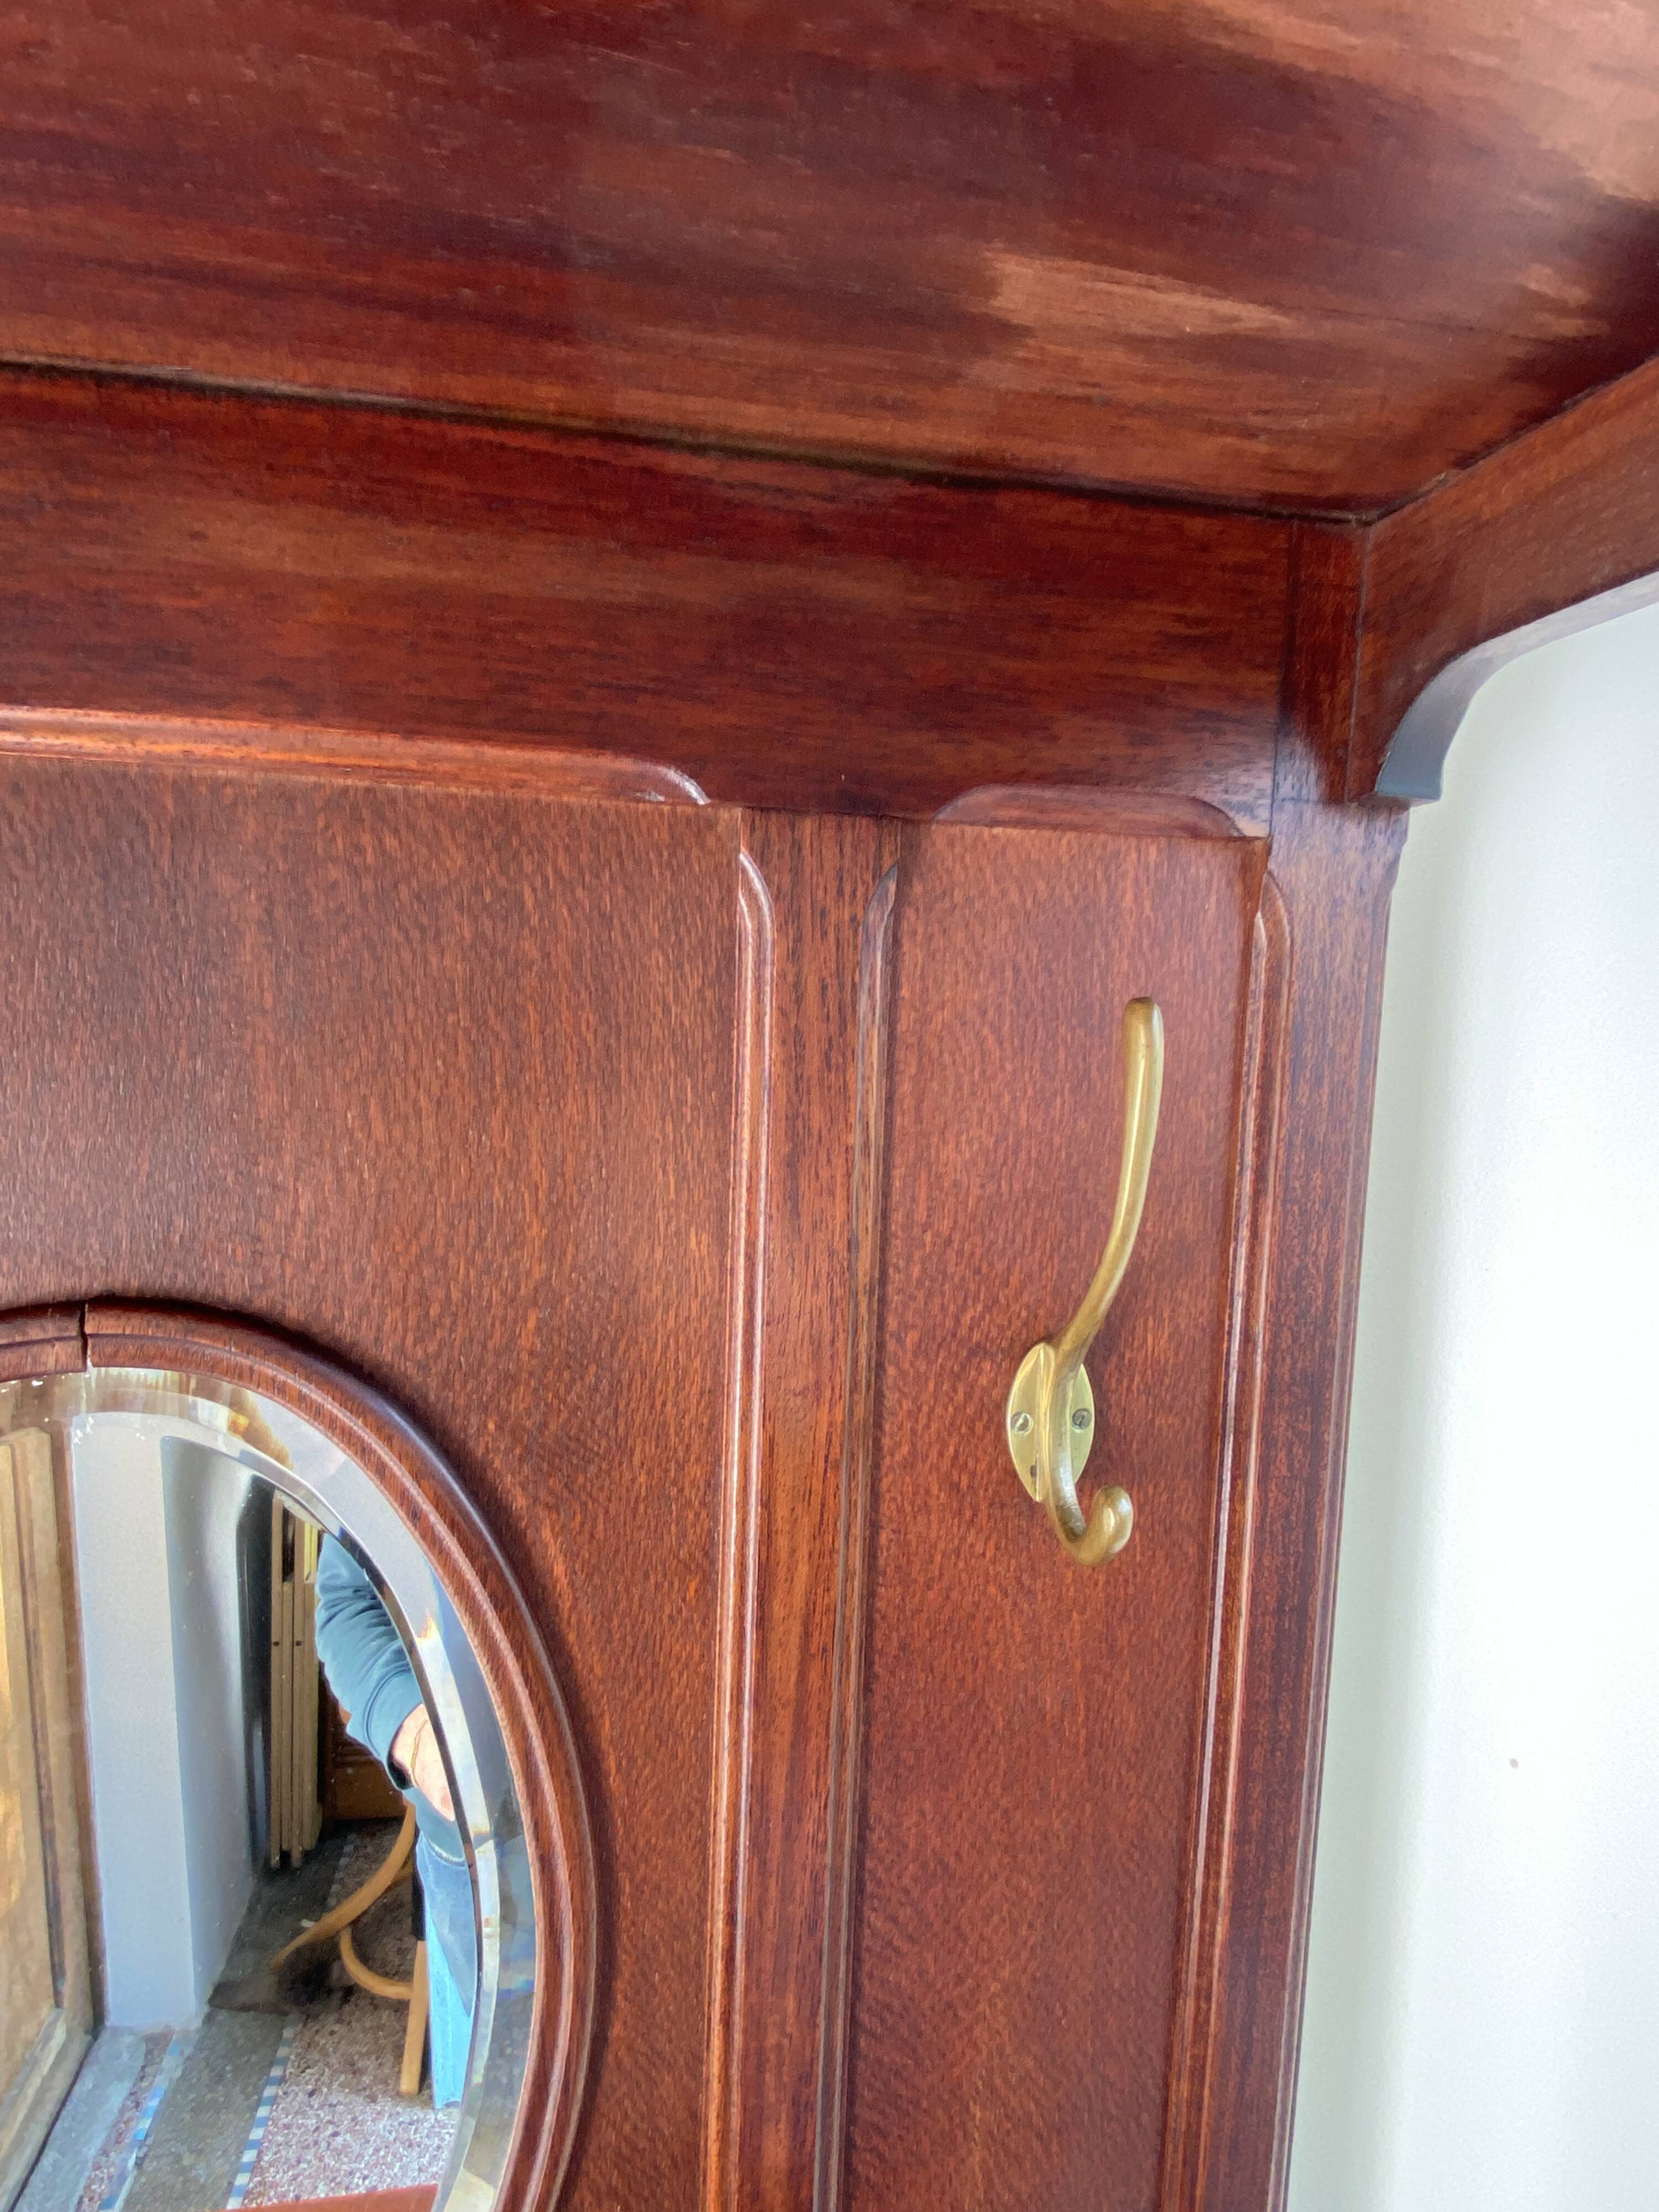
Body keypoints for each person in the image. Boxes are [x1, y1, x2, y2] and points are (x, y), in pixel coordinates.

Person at [313, 1535, 476, 2109]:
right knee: (523, 2088)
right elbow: (348, 1604)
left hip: (698, 1842)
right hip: (480, 1848)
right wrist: (415, 1732)